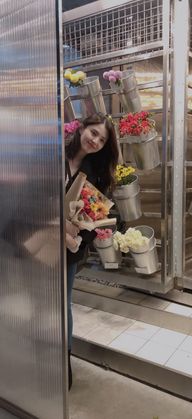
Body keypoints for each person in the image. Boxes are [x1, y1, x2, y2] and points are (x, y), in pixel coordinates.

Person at [65, 113, 119, 389]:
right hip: (33, 241)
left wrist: (78, 235)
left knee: (63, 304)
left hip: (68, 250)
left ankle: (65, 359)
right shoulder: (54, 154)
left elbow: (96, 215)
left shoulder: (95, 172)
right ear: (82, 127)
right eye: (93, 132)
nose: (95, 140)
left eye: (102, 139)